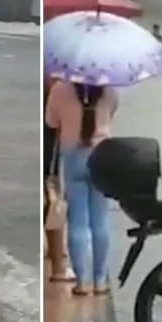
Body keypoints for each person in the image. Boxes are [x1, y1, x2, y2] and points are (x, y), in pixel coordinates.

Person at [45, 79, 119, 296]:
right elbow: (111, 113)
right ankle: (100, 281)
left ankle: (82, 282)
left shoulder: (60, 89)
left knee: (77, 222)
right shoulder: (110, 89)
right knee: (101, 220)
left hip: (72, 155)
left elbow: (51, 122)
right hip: (102, 156)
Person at [43, 76, 72, 284]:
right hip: (49, 139)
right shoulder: (53, 81)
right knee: (52, 199)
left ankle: (52, 251)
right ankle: (58, 269)